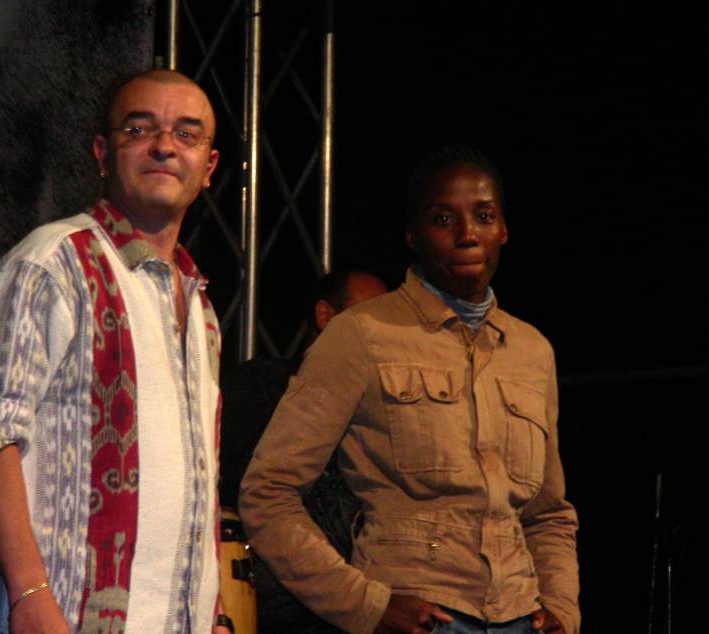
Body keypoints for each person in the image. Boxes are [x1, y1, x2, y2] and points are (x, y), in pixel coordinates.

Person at [240, 146, 580, 634]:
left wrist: (562, 609)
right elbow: (268, 492)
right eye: (443, 219)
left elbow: (548, 515)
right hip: (418, 612)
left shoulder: (531, 350)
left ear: (503, 229)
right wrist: (365, 605)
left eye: (483, 216)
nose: (467, 234)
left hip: (521, 615)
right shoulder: (362, 335)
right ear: (412, 235)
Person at [0, 69, 230, 633]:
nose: (165, 146)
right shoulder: (49, 264)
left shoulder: (200, 306)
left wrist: (211, 612)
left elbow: (197, 480)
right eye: (139, 129)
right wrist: (28, 594)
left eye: (187, 134)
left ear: (209, 166)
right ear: (101, 153)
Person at [219, 269, 387, 633]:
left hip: (361, 605)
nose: (377, 332)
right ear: (325, 315)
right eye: (365, 316)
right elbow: (237, 496)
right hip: (277, 605)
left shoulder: (384, 407)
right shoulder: (261, 386)